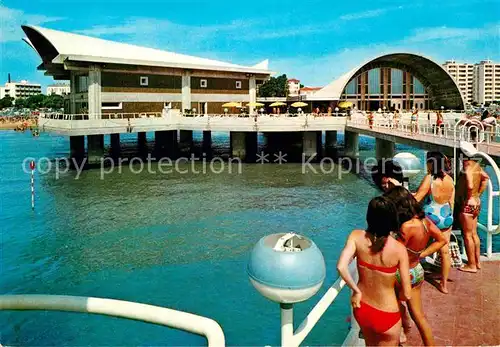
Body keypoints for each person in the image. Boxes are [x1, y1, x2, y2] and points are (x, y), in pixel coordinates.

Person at [337, 196, 411, 346]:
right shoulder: (398, 249)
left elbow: (341, 266)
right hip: (387, 313)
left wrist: (356, 291)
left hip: (362, 308)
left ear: (369, 216)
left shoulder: (356, 236)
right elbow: (407, 294)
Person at [385, 187, 447, 345]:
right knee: (419, 317)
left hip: (401, 273)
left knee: (392, 307)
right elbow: (442, 240)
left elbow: (394, 253)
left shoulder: (406, 227)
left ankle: (401, 332)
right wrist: (421, 254)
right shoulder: (425, 221)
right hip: (417, 270)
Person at [414, 151, 454, 294]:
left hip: (431, 217)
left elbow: (418, 198)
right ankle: (443, 284)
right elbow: (451, 201)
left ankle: (414, 271)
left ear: (431, 163)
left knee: (418, 244)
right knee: (445, 251)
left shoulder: (430, 178)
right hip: (447, 216)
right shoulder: (450, 179)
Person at [455, 154, 489, 272]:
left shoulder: (468, 166)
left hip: (468, 205)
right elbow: (485, 178)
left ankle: (471, 265)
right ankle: (477, 262)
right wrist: (478, 194)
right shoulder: (477, 166)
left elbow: (469, 185)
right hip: (476, 204)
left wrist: (470, 197)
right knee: (474, 234)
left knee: (467, 235)